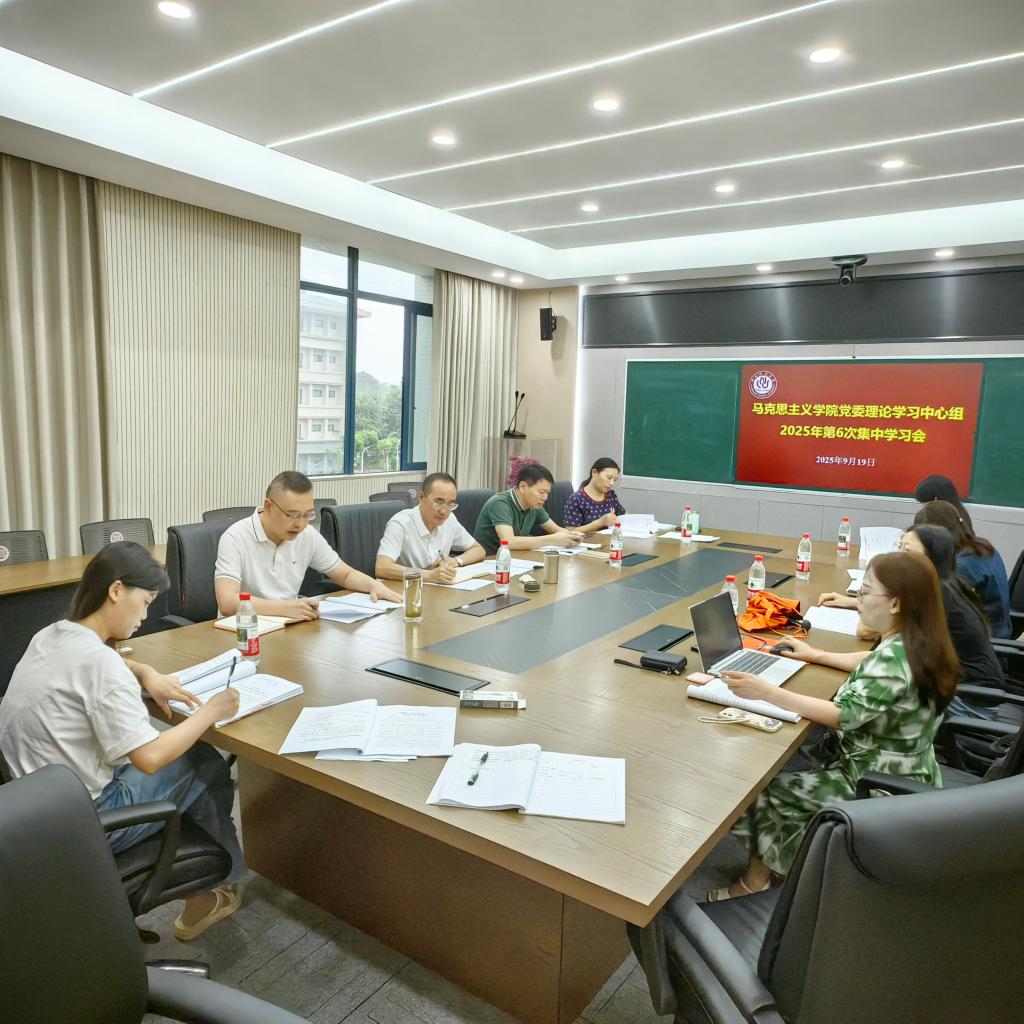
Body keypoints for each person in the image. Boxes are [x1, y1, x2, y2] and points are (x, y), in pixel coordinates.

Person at [0, 542, 246, 940]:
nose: (146, 615)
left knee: (174, 748)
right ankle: (217, 886)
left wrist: (144, 670)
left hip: (29, 808)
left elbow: (108, 661)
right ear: (116, 590)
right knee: (201, 759)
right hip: (85, 821)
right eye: (145, 602)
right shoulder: (101, 665)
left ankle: (198, 885)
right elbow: (149, 758)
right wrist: (211, 711)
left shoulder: (51, 634)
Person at [707, 551, 957, 899]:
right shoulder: (917, 639)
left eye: (865, 592)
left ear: (896, 603)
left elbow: (843, 716)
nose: (859, 600)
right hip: (912, 769)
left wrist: (767, 693)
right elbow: (870, 659)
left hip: (874, 781)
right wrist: (817, 655)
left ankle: (756, 882)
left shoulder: (893, 659)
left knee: (770, 792)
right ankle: (784, 862)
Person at [821, 525, 1007, 715]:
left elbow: (865, 631)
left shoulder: (931, 596)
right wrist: (855, 601)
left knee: (856, 700)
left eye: (907, 550)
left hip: (968, 700)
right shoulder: (942, 583)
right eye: (899, 546)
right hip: (963, 684)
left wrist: (870, 596)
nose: (899, 555)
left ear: (928, 558)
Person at [215, 471, 400, 618]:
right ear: (269, 506)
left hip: (287, 624)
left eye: (308, 515)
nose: (300, 524)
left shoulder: (307, 534)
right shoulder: (235, 537)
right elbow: (227, 601)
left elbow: (345, 574)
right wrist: (285, 608)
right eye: (293, 515)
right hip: (243, 631)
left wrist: (374, 586)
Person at [913, 499, 1011, 638]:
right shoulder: (981, 546)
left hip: (984, 638)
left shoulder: (962, 566)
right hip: (998, 628)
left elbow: (945, 613)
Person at [375, 473, 486, 584]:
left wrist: (456, 561)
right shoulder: (400, 523)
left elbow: (478, 550)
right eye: (439, 503)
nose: (444, 511)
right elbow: (382, 568)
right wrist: (429, 575)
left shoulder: (449, 520)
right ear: (421, 497)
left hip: (439, 589)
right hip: (406, 590)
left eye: (450, 504)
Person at [473, 464, 585, 555]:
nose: (545, 498)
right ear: (523, 487)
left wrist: (573, 536)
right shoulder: (500, 503)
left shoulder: (534, 505)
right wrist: (552, 539)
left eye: (547, 493)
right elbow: (509, 542)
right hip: (490, 560)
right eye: (541, 492)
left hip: (516, 558)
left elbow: (556, 530)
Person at [562, 457, 627, 534]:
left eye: (614, 480)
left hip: (608, 539)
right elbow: (570, 531)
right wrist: (600, 523)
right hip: (586, 540)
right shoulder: (577, 499)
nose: (612, 483)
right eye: (609, 478)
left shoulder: (610, 495)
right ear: (594, 472)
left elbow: (623, 515)